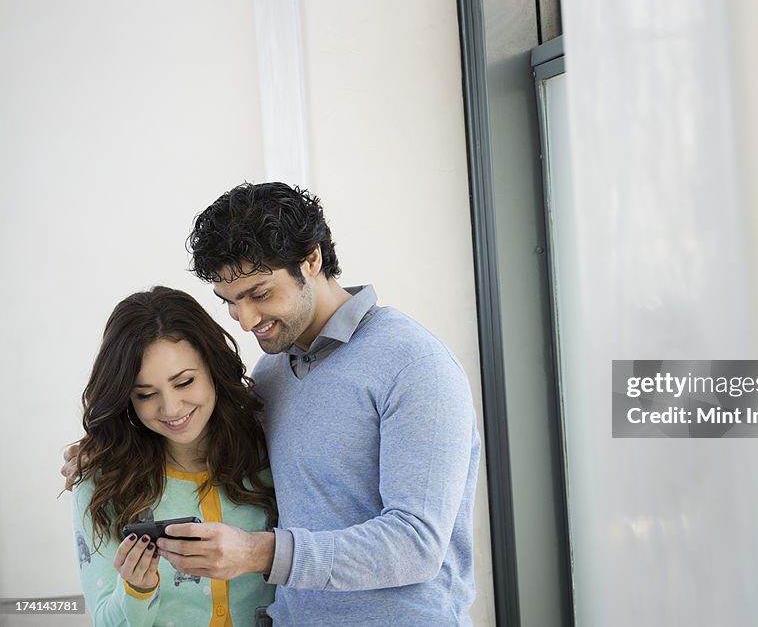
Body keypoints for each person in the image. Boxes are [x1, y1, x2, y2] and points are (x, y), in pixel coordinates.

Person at [147, 182, 479, 624]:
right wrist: (107, 449)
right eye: (230, 302)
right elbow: (206, 442)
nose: (246, 321)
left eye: (260, 294)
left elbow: (416, 544)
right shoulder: (272, 374)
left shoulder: (415, 365)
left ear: (312, 259)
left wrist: (259, 553)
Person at [69, 287, 276, 626]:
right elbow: (105, 620)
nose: (171, 408)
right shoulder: (99, 483)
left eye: (184, 382)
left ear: (212, 367)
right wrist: (137, 589)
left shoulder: (269, 453)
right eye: (146, 394)